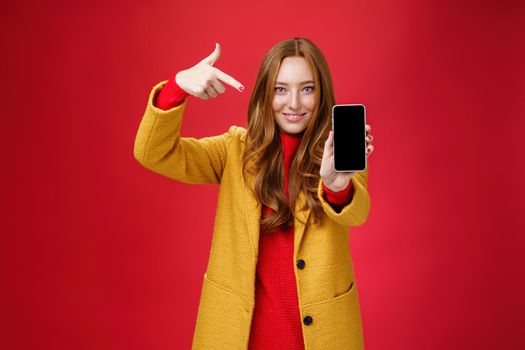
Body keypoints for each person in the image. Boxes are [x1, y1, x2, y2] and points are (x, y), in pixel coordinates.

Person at [134, 37, 375, 350]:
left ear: (322, 92)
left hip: (322, 337)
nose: (294, 103)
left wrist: (335, 184)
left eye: (307, 88)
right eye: (280, 89)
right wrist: (177, 87)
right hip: (239, 337)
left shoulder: (339, 156)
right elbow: (153, 152)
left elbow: (358, 214)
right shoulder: (234, 152)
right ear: (265, 93)